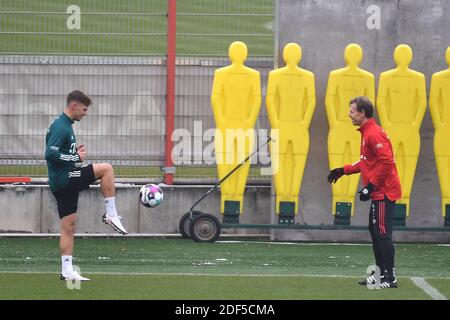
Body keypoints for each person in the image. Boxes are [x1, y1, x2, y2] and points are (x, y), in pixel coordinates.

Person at [45, 90, 127, 281]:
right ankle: (111, 213)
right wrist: (76, 156)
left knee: (68, 226)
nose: (85, 113)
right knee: (106, 169)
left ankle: (66, 270)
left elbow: (59, 154)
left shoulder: (65, 125)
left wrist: (74, 152)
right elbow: (50, 154)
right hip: (64, 179)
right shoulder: (62, 126)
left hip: (61, 180)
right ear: (74, 106)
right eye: (84, 109)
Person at [327, 96, 401, 288]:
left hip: (384, 192)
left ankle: (389, 277)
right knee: (376, 233)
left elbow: (387, 161)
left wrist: (371, 185)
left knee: (382, 234)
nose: (349, 114)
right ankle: (379, 274)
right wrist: (344, 170)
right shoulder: (366, 132)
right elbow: (368, 162)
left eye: (352, 111)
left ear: (362, 113)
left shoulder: (373, 133)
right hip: (378, 191)